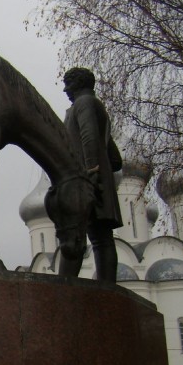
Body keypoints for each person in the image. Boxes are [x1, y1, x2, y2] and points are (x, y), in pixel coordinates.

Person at [60, 67, 123, 282]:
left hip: (87, 180)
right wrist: (102, 168)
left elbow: (88, 137)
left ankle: (63, 288)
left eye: (68, 84)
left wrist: (91, 171)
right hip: (98, 179)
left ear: (78, 84)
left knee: (77, 235)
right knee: (101, 238)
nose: (65, 90)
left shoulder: (83, 103)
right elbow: (115, 159)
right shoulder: (95, 106)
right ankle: (107, 288)